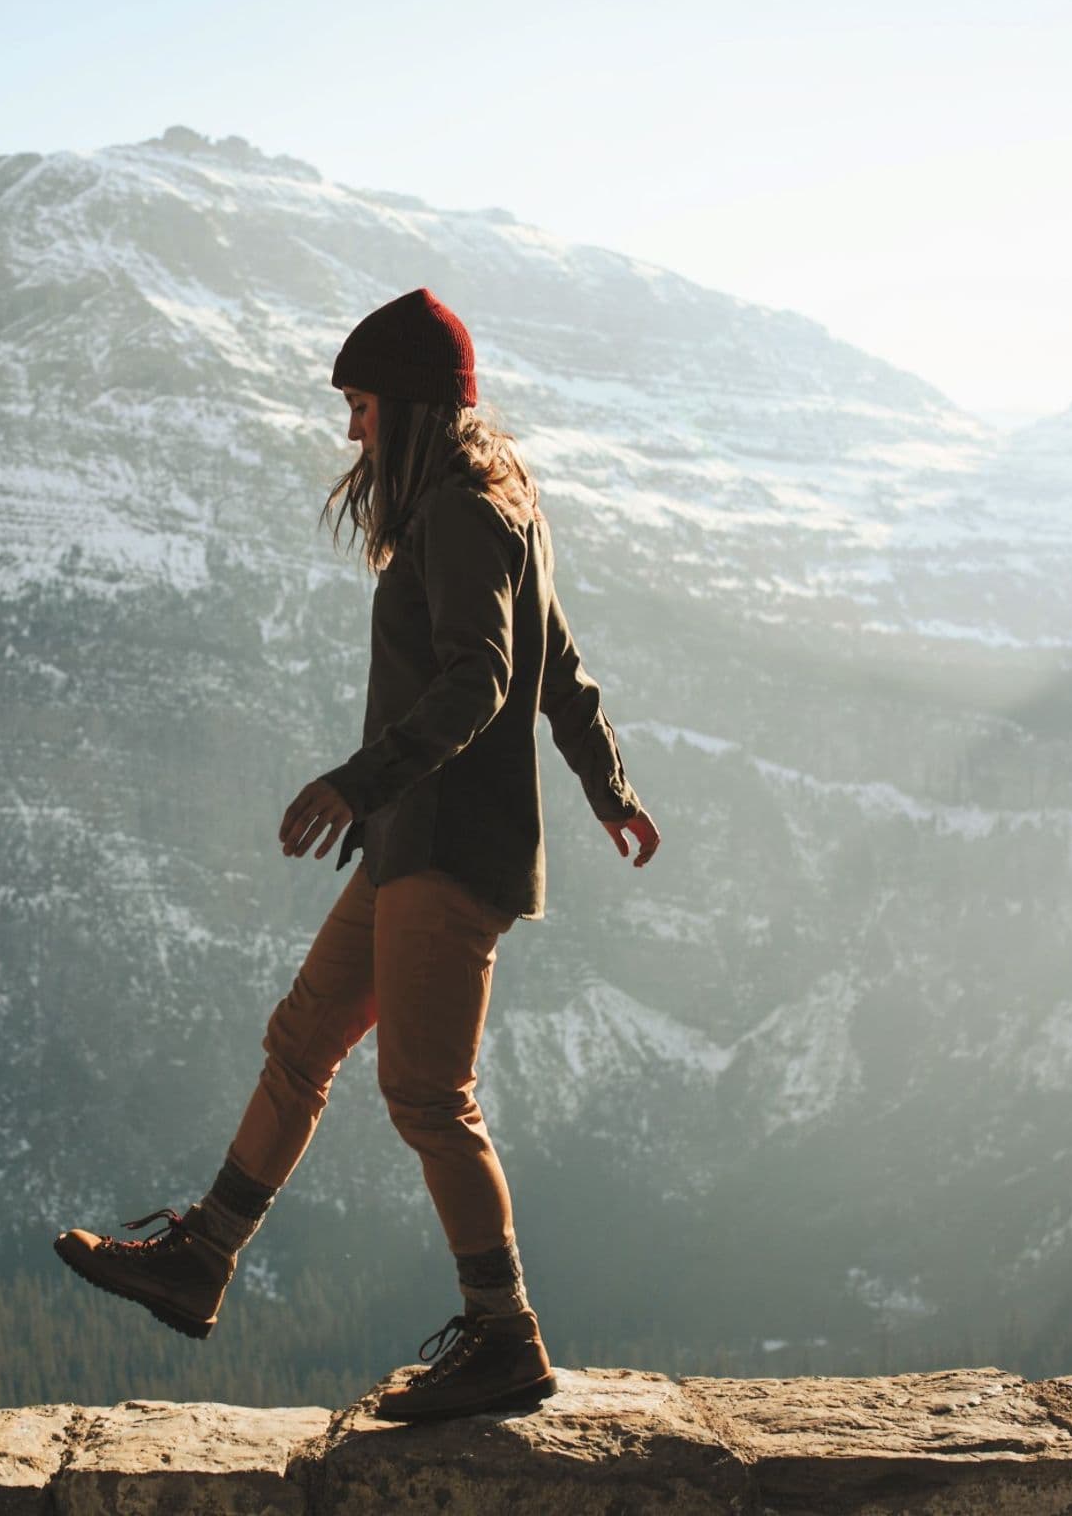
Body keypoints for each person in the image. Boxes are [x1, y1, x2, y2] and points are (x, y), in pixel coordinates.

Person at [54, 287, 661, 1421]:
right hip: (405, 847)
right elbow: (562, 673)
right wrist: (609, 791)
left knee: (429, 1096)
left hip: (443, 851)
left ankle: (502, 1335)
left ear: (416, 409)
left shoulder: (463, 518)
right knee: (301, 1041)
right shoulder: (495, 505)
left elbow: (489, 677)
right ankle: (202, 1259)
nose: (351, 432)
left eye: (362, 406)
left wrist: (354, 781)